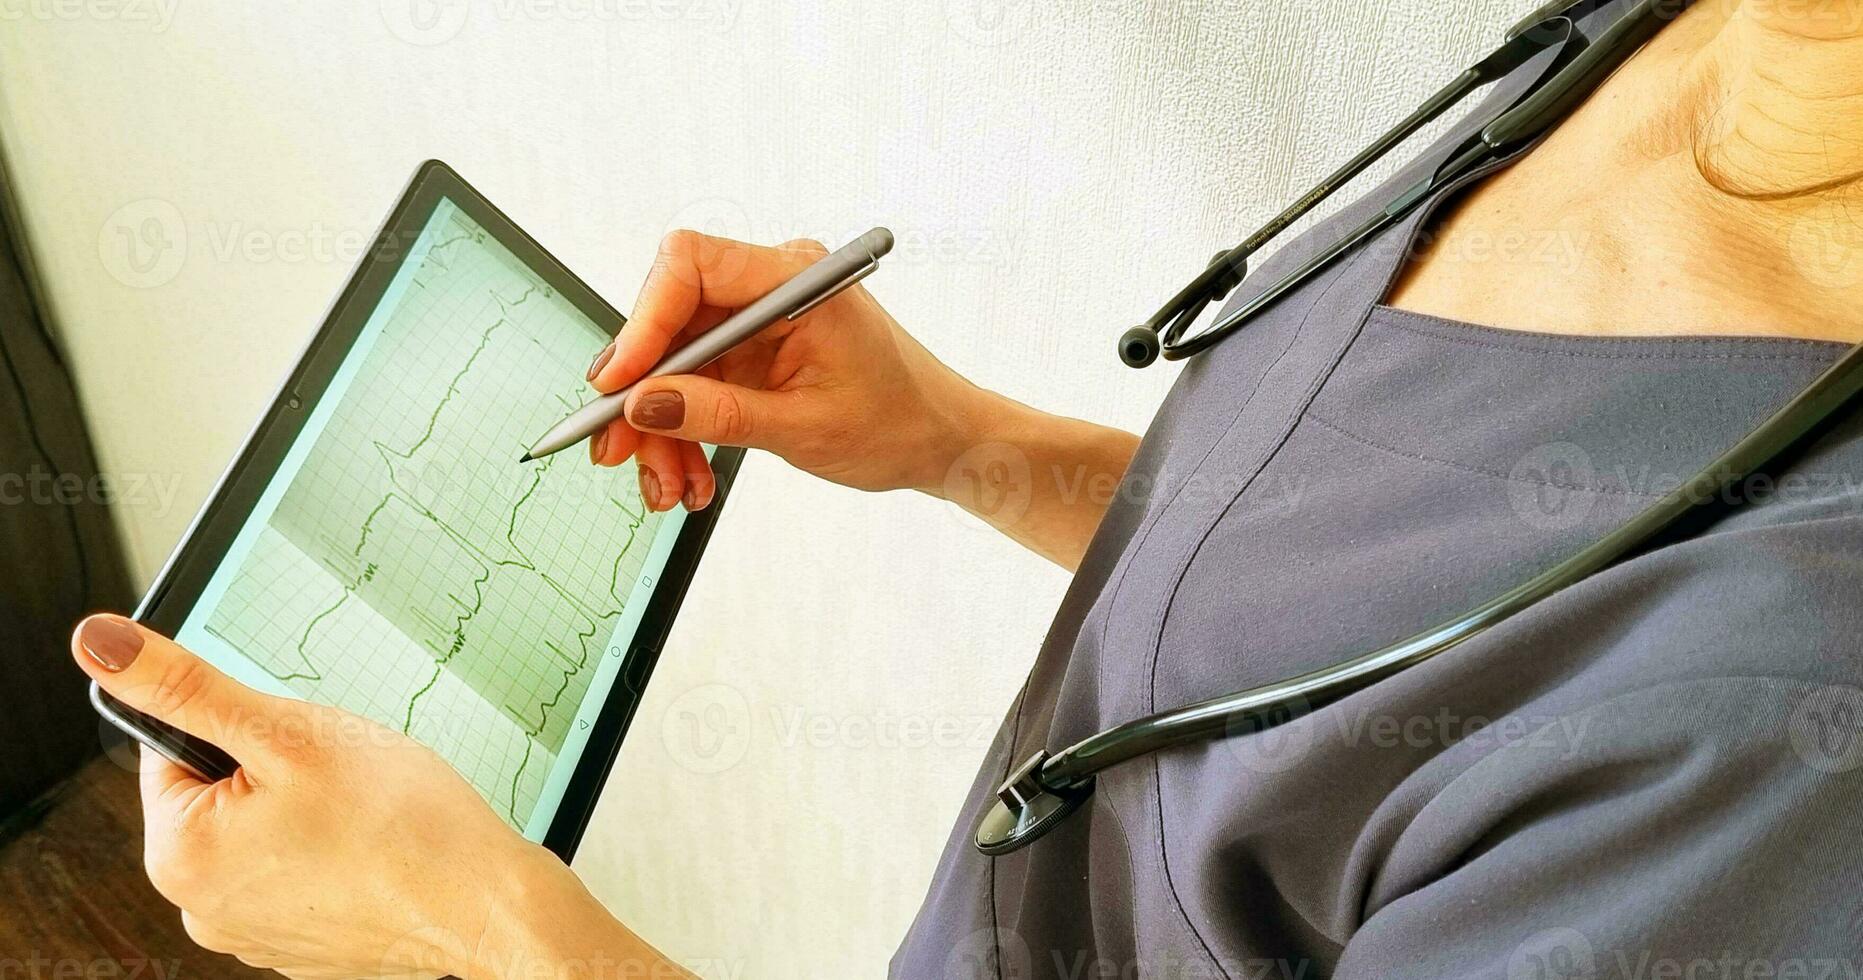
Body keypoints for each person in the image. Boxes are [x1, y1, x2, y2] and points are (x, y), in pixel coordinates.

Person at [70, 0, 1863, 976]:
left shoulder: (1809, 739)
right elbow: (1409, 647)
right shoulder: (1682, 34)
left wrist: (477, 929)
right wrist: (956, 442)